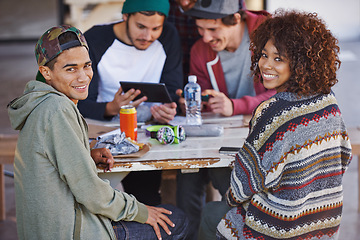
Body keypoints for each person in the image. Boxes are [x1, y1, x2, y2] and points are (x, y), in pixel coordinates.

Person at [7, 24, 189, 240]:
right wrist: (141, 211)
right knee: (175, 220)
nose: (83, 77)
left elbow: (53, 160)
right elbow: (92, 193)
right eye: (70, 69)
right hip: (71, 232)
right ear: (46, 72)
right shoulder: (57, 109)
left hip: (50, 227)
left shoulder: (40, 103)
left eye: (87, 65)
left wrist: (85, 154)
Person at [201, 10, 352, 239]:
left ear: (301, 63)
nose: (266, 65)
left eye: (278, 58)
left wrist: (231, 199)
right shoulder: (328, 101)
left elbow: (243, 185)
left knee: (211, 212)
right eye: (263, 55)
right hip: (323, 225)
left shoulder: (273, 112)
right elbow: (344, 157)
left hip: (277, 228)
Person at [175, 1, 275, 238]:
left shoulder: (269, 33)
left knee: (230, 185)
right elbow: (205, 93)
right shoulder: (200, 50)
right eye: (200, 29)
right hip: (222, 133)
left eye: (213, 29)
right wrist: (197, 102)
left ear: (236, 19)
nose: (206, 37)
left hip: (264, 133)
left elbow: (285, 89)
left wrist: (236, 106)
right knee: (186, 179)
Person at [77, 0, 184, 206]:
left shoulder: (169, 36)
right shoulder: (96, 39)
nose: (148, 36)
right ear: (125, 17)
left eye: (156, 28)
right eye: (141, 27)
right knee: (95, 199)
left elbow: (172, 90)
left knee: (146, 196)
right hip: (99, 129)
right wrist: (111, 108)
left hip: (146, 131)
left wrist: (167, 109)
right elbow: (77, 101)